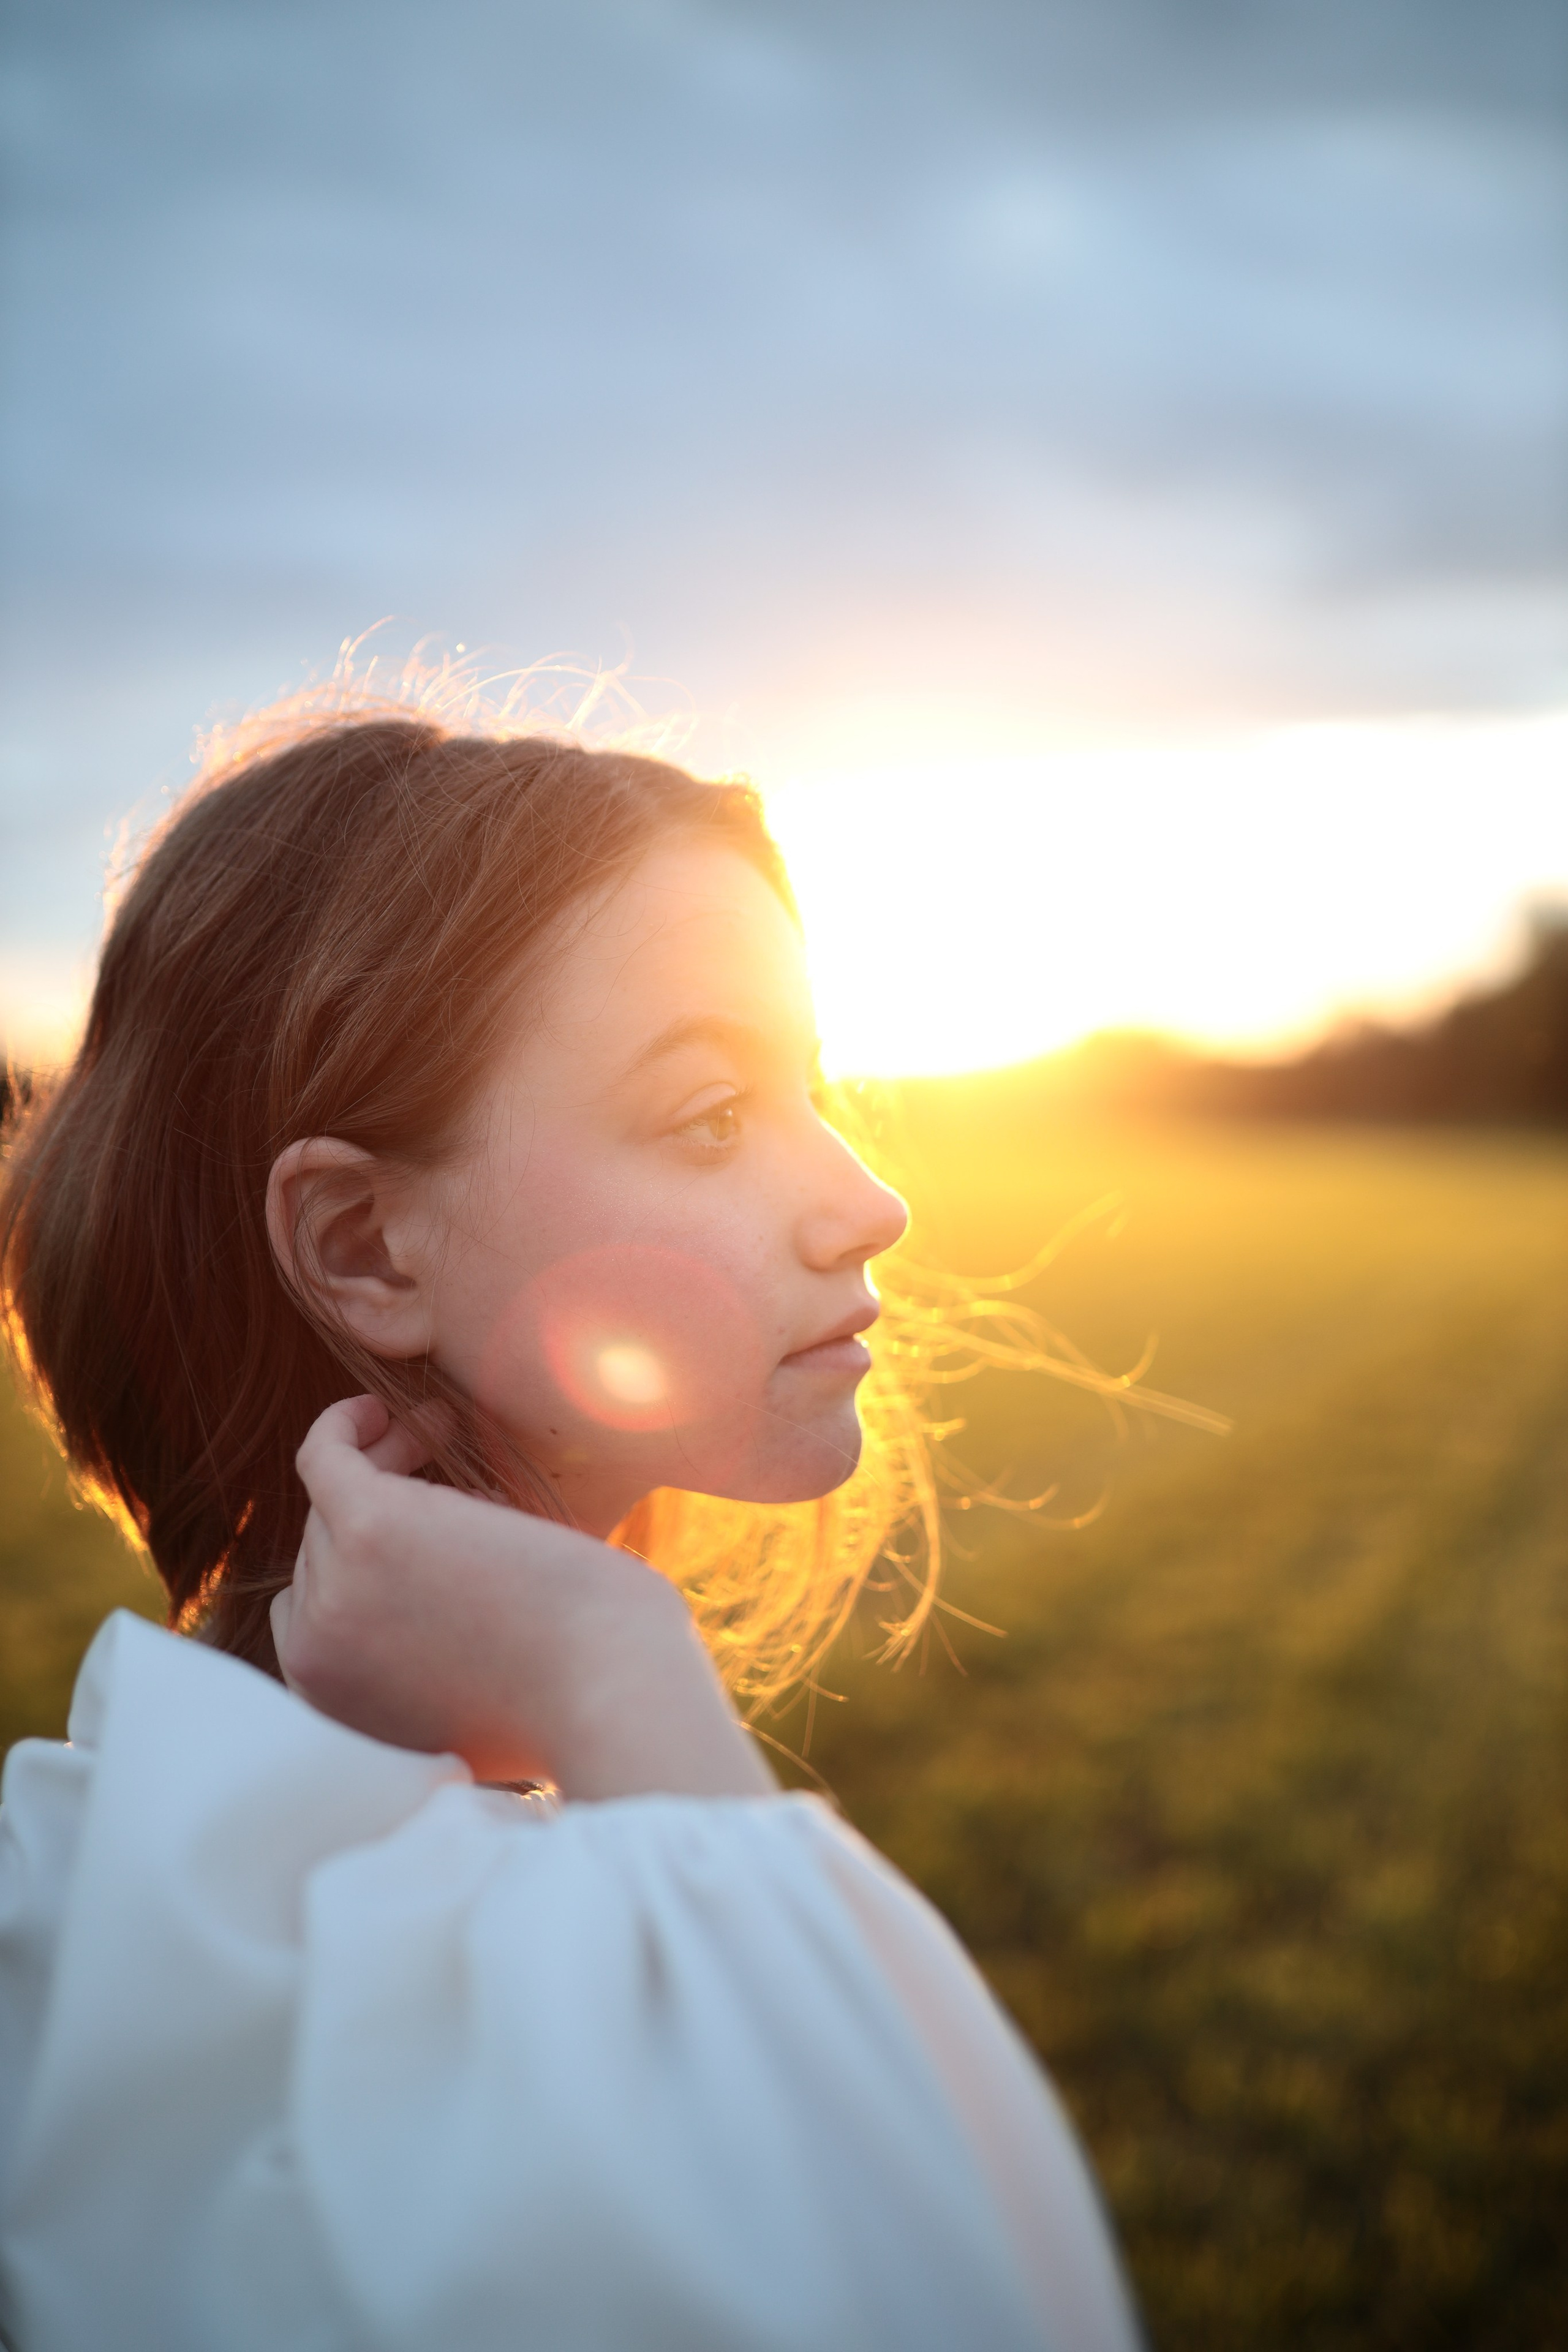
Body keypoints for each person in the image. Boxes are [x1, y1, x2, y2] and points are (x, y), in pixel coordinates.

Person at [0, 690, 1142, 2352]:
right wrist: (623, 1675)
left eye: (815, 1087)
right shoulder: (480, 1989)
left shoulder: (88, 1890)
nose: (871, 1200)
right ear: (370, 1250)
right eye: (708, 1117)